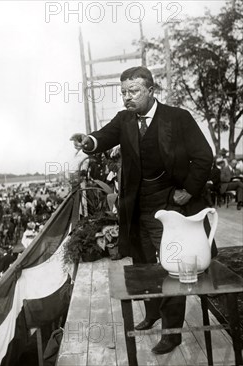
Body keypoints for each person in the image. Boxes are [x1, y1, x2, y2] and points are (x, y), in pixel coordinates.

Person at [71, 66, 213, 354]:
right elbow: (103, 136)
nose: (126, 97)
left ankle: (172, 334)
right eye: (123, 92)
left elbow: (203, 156)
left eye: (133, 91)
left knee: (173, 266)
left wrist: (188, 191)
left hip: (173, 204)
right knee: (144, 263)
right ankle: (152, 313)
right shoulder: (125, 120)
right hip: (138, 204)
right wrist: (88, 142)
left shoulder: (178, 118)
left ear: (151, 90)